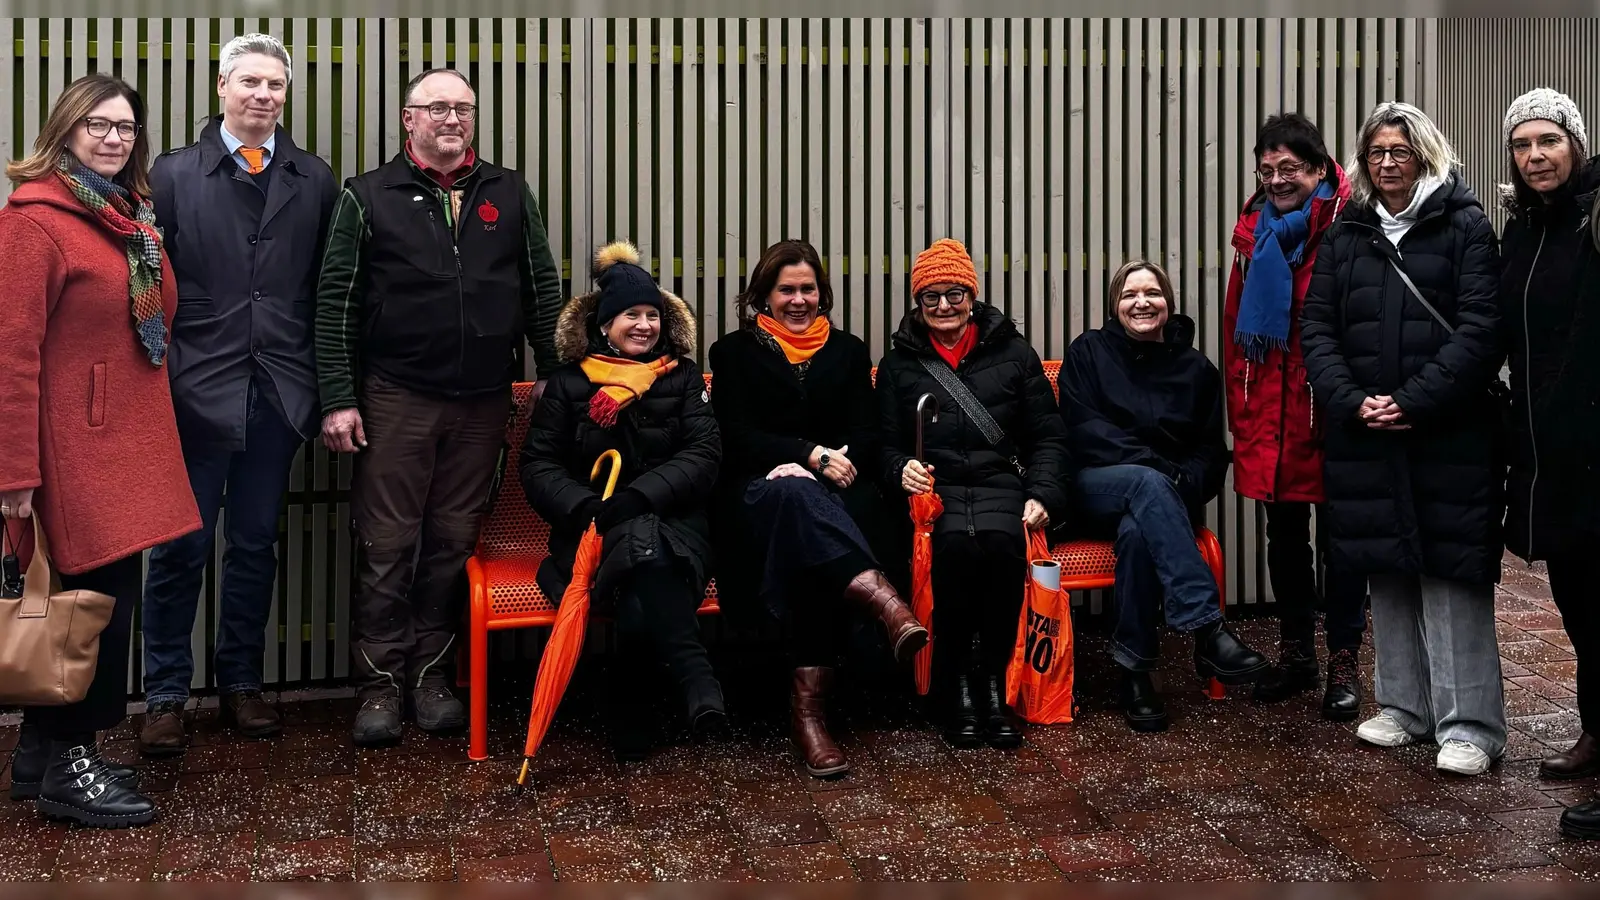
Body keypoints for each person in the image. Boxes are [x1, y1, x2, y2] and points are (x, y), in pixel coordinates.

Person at [314, 68, 565, 745]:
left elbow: (541, 288)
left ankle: (431, 677)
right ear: (409, 118)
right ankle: (379, 685)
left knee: (453, 542)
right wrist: (338, 398)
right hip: (396, 397)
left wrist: (557, 375)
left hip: (483, 403)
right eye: (437, 108)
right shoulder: (368, 195)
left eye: (463, 108)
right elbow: (335, 304)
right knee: (387, 543)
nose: (452, 119)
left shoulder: (507, 191)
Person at [0, 74, 203, 828]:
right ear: (66, 129)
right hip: (70, 457)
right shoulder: (33, 223)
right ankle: (70, 767)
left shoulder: (125, 217)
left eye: (126, 127)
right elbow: (10, 354)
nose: (115, 138)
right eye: (99, 125)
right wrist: (13, 472)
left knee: (90, 603)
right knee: (89, 613)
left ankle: (39, 756)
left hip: (120, 446)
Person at [138, 33, 338, 756]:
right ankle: (165, 693)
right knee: (180, 548)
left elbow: (326, 285)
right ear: (221, 87)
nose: (263, 95)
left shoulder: (313, 178)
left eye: (275, 84)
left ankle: (242, 683)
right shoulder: (172, 174)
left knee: (255, 543)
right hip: (192, 390)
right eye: (249, 81)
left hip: (279, 390)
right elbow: (144, 283)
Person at [1301, 101, 1507, 777]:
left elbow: (1481, 331)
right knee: (1385, 566)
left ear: (1425, 153)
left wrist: (1413, 400)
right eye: (1376, 153)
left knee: (1452, 573)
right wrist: (1352, 400)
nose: (1388, 163)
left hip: (1446, 433)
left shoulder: (1465, 226)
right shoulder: (1347, 232)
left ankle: (1470, 726)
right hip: (1367, 433)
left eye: (1401, 151)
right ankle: (1403, 707)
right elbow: (1317, 328)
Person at [708, 239, 928, 778]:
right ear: (764, 295)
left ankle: (808, 715)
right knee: (795, 499)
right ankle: (886, 605)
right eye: (786, 290)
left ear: (822, 293)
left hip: (836, 491)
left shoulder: (848, 351)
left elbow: (867, 432)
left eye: (808, 289)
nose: (798, 300)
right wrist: (806, 455)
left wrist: (831, 463)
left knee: (811, 542)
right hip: (757, 494)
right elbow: (734, 437)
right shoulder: (731, 353)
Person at [520, 241, 725, 761]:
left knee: (645, 548)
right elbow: (539, 466)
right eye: (631, 315)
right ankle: (694, 678)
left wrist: (638, 496)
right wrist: (586, 507)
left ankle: (631, 701)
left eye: (652, 315)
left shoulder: (681, 377)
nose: (644, 325)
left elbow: (703, 454)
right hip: (590, 528)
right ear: (605, 324)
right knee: (643, 553)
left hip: (677, 524)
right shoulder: (569, 384)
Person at [876, 238, 1069, 749]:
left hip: (1002, 484)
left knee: (1002, 546)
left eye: (954, 294)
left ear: (972, 296)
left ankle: (995, 684)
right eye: (931, 296)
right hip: (936, 492)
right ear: (917, 302)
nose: (944, 306)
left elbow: (1048, 436)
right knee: (953, 550)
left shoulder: (1014, 354)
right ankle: (956, 685)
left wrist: (1043, 494)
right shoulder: (899, 364)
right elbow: (885, 444)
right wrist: (899, 469)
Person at [1061, 260, 1268, 732]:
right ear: (1115, 305)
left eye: (1152, 293)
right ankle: (1208, 630)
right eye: (1129, 294)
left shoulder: (1196, 370)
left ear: (1168, 303)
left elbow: (1210, 454)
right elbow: (1084, 431)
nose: (1142, 302)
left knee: (1138, 532)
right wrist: (1159, 471)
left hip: (1165, 502)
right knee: (1145, 484)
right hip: (1095, 488)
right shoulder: (1089, 352)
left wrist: (1180, 483)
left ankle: (1135, 671)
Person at [1222, 113, 1369, 719]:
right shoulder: (1253, 232)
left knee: (1341, 543)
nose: (1278, 180)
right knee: (1283, 539)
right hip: (1269, 407)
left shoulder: (1348, 226)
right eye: (1267, 170)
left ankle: (1343, 660)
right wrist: (1241, 407)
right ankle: (1296, 654)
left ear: (1318, 168)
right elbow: (1236, 329)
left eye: (1291, 169)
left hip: (1327, 409)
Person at [1489, 89, 1600, 835]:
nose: (1535, 156)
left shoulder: (1596, 217)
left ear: (1574, 145)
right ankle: (1597, 729)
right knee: (1580, 604)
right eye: (1523, 144)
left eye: (1549, 141)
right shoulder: (1523, 227)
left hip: (1594, 447)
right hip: (1546, 449)